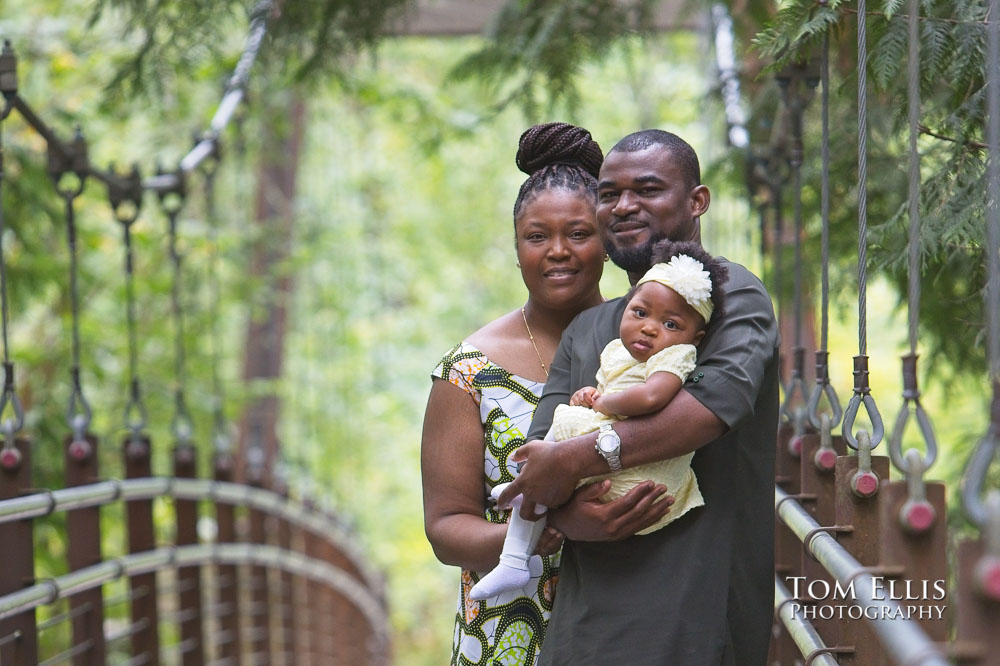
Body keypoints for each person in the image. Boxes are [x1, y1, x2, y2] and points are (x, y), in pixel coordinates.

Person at [497, 129, 780, 665]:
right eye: (609, 194)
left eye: (647, 190)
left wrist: (579, 457)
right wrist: (566, 519)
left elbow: (701, 414)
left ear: (697, 202)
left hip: (695, 625)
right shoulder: (587, 328)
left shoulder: (731, 297)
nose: (624, 206)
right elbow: (539, 456)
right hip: (580, 636)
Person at [421, 122, 673, 666]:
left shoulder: (655, 345)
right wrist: (547, 532)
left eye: (578, 234)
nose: (558, 252)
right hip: (511, 635)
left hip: (634, 625)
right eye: (537, 237)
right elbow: (445, 529)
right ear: (517, 249)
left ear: (606, 241)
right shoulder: (467, 372)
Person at [469, 241, 728, 601]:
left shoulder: (677, 355)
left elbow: (651, 396)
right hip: (612, 462)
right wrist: (590, 394)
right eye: (640, 313)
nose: (650, 329)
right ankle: (514, 557)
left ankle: (524, 500)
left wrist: (604, 402)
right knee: (552, 450)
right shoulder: (614, 350)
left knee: (559, 435)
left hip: (639, 472)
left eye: (670, 323)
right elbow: (611, 390)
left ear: (694, 337)